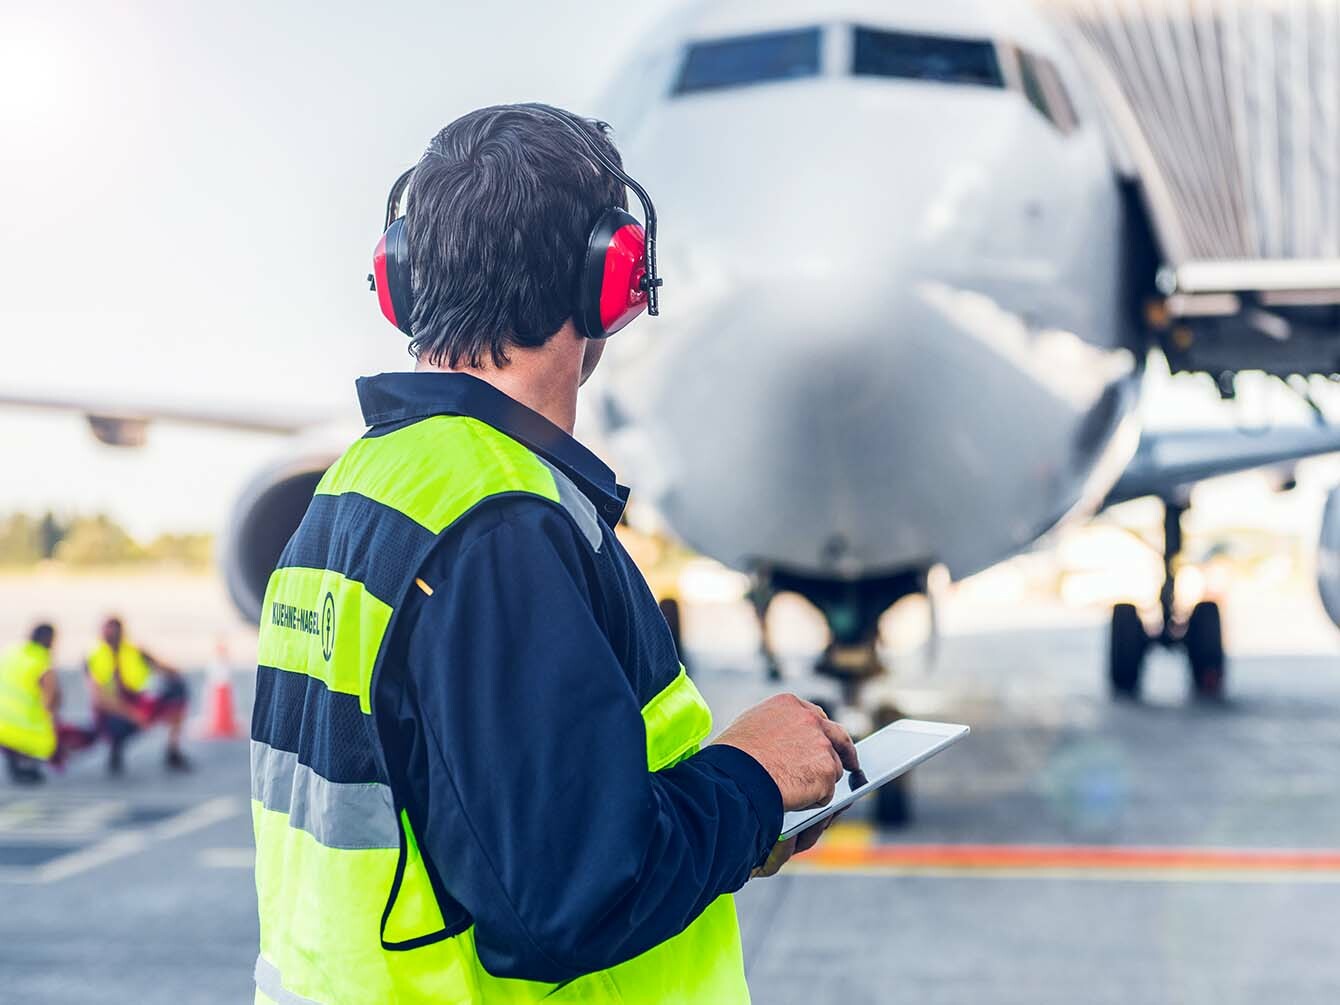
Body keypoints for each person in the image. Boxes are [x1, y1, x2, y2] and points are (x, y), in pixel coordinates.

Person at [250, 103, 860, 1004]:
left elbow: (473, 823)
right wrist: (750, 778)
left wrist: (731, 828)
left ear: (404, 279)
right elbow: (560, 901)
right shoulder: (499, 524)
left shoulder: (361, 486)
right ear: (613, 280)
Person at [87, 617, 191, 774]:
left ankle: (172, 750)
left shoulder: (134, 652)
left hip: (137, 701)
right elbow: (100, 699)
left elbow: (169, 670)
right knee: (114, 723)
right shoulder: (96, 658)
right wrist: (133, 715)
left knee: (178, 691)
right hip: (114, 711)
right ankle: (116, 747)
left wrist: (160, 664)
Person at [0, 623, 61, 784]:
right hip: (25, 731)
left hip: (2, 727)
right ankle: (29, 762)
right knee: (50, 740)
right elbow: (50, 699)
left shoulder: (12, 653)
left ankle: (17, 759)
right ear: (48, 640)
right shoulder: (41, 660)